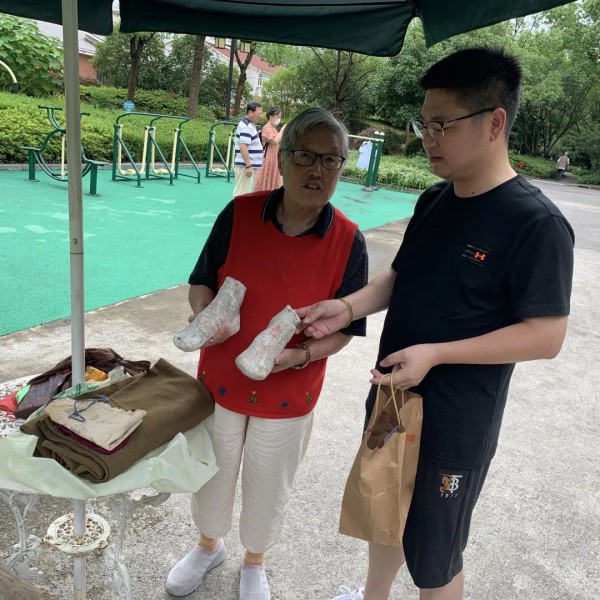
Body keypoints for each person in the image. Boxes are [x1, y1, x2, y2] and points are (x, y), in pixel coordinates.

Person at [297, 47, 575, 600]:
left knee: (435, 555)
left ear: (494, 122)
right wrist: (347, 307)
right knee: (384, 512)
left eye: (442, 124)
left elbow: (547, 336)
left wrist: (438, 353)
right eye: (424, 123)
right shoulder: (434, 200)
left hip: (455, 420)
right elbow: (401, 276)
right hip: (393, 395)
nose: (428, 137)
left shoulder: (535, 223)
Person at [165, 107, 369, 599]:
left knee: (269, 481)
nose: (317, 170)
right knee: (212, 472)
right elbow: (202, 280)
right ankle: (208, 545)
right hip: (220, 378)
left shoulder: (348, 240)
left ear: (342, 167)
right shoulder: (239, 214)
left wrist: (301, 356)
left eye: (331, 160)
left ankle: (254, 560)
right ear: (284, 156)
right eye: (306, 156)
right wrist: (205, 316)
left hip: (289, 388)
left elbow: (347, 329)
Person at [233, 102, 264, 196]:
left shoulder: (249, 125)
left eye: (261, 113)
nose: (261, 116)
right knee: (242, 193)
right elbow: (243, 147)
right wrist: (248, 166)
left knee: (245, 193)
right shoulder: (246, 126)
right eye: (259, 113)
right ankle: (238, 206)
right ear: (250, 112)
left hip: (248, 164)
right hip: (245, 165)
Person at [254, 107, 285, 192]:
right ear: (271, 117)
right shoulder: (267, 127)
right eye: (278, 117)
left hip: (274, 157)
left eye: (280, 117)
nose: (279, 119)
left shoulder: (273, 128)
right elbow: (274, 141)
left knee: (273, 177)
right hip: (268, 157)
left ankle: (271, 194)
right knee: (266, 177)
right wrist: (282, 130)